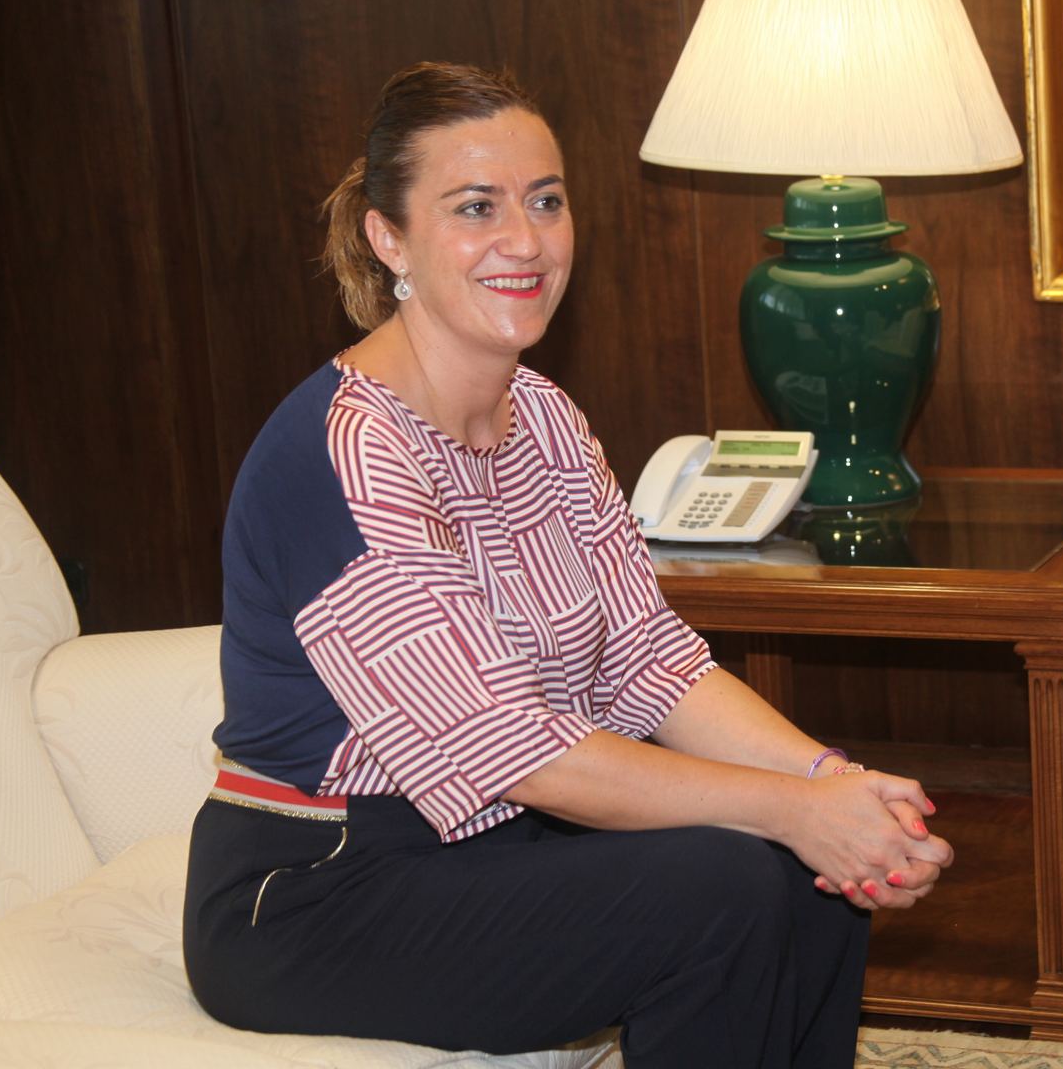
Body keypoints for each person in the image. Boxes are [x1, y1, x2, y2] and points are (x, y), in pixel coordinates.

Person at [182, 62, 952, 1068]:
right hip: (315, 888)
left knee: (800, 871)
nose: (526, 239)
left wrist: (833, 783)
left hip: (494, 844)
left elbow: (648, 661)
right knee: (726, 887)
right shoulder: (339, 454)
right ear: (388, 237)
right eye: (476, 207)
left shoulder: (544, 417)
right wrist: (793, 809)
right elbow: (518, 753)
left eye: (546, 201)